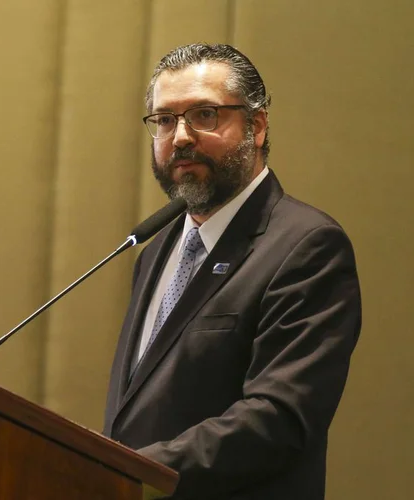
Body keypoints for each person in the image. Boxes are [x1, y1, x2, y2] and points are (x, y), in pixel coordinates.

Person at [102, 43, 362, 500]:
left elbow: (277, 419)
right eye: (164, 120)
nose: (180, 136)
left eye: (204, 115)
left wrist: (129, 471)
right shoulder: (155, 250)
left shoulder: (306, 245)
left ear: (256, 127)